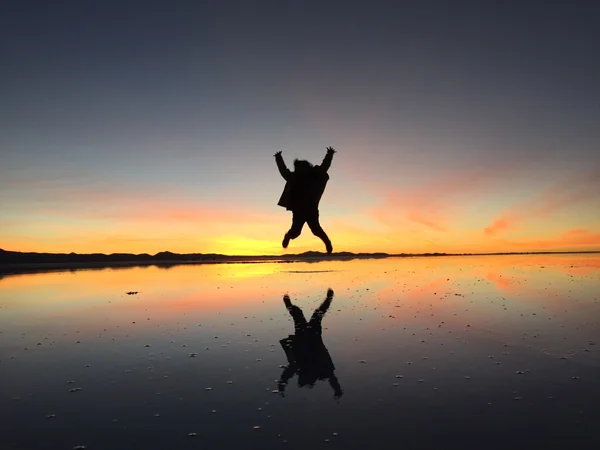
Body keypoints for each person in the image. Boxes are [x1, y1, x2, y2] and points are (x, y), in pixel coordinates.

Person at [277, 288, 343, 400]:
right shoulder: (320, 369)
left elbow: (287, 374)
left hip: (302, 336)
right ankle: (329, 298)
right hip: (313, 337)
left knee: (299, 314)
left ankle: (290, 304)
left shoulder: (298, 366)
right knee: (317, 314)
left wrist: (281, 386)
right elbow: (332, 377)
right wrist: (337, 389)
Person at [274, 146, 336, 253]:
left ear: (308, 168)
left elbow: (324, 167)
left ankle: (327, 242)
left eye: (303, 167)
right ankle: (288, 236)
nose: (301, 170)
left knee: (316, 229)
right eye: (299, 168)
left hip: (311, 208)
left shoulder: (314, 175)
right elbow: (283, 171)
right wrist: (278, 158)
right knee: (296, 232)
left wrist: (329, 154)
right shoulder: (293, 177)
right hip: (298, 209)